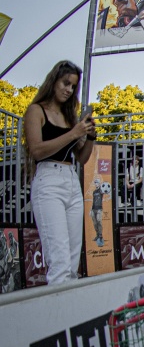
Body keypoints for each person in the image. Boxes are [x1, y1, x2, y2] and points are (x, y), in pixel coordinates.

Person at [23, 60, 96, 285]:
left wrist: (90, 136)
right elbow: (36, 150)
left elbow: (82, 158)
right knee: (60, 261)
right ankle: (56, 306)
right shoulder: (36, 110)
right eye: (65, 83)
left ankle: (69, 305)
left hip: (71, 180)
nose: (69, 90)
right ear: (53, 81)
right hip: (48, 181)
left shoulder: (69, 116)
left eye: (73, 86)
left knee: (73, 263)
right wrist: (74, 133)